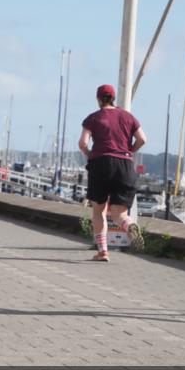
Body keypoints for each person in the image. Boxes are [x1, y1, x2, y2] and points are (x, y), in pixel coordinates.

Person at [78, 84, 147, 261]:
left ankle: (103, 251)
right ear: (113, 98)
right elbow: (142, 139)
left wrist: (89, 155)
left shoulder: (93, 118)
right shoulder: (128, 116)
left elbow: (83, 143)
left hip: (100, 163)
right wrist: (130, 150)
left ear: (99, 99)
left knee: (99, 211)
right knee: (119, 214)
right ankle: (129, 225)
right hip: (124, 164)